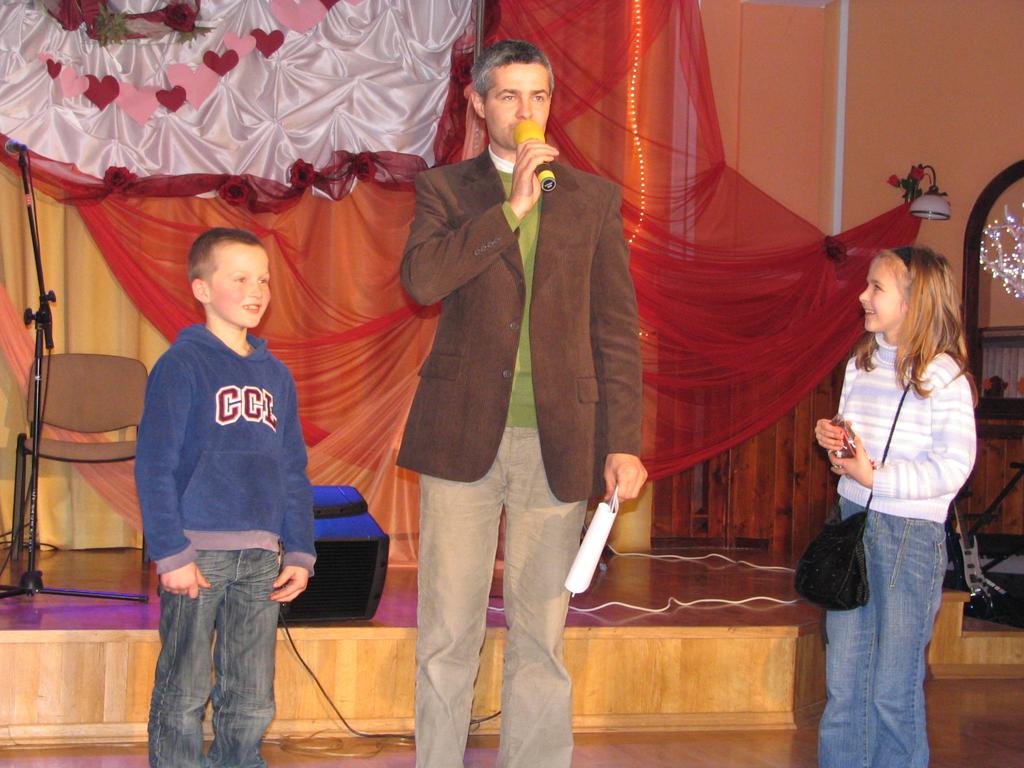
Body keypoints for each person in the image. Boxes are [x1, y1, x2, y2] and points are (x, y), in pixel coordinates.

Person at [397, 38, 647, 768]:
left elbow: (615, 331)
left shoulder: (593, 199)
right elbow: (422, 280)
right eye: (509, 96)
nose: (526, 110)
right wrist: (509, 210)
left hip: (559, 440)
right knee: (448, 632)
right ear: (478, 104)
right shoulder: (446, 190)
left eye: (538, 95)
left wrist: (623, 442)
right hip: (461, 435)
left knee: (542, 633)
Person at [136, 227, 316, 768]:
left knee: (252, 694)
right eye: (240, 279)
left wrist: (300, 550)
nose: (256, 290)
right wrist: (171, 552)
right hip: (198, 555)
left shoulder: (276, 376)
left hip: (261, 557)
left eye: (263, 279)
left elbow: (292, 470)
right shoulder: (181, 365)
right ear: (202, 289)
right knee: (185, 688)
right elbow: (154, 465)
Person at [813, 245, 977, 768]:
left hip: (910, 538)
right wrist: (836, 444)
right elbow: (855, 450)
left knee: (892, 687)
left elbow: (953, 467)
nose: (863, 296)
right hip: (853, 523)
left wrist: (877, 477)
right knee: (844, 681)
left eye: (876, 288)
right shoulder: (860, 364)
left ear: (914, 301)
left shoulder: (944, 377)